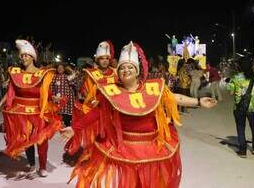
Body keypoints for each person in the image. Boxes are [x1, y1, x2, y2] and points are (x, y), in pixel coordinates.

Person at [61, 41, 217, 187]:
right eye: (122, 67)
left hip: (152, 146)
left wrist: (198, 102)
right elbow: (96, 113)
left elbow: (174, 98)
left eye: (130, 67)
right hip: (125, 148)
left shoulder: (152, 87)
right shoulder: (112, 92)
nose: (125, 70)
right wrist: (75, 128)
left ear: (137, 70)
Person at [0, 39, 64, 178]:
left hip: (38, 111)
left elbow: (45, 92)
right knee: (27, 140)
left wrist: (53, 97)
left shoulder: (41, 73)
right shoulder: (17, 73)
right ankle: (32, 164)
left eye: (26, 55)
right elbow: (10, 91)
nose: (23, 58)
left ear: (32, 57)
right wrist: (0, 104)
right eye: (22, 56)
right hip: (22, 112)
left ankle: (42, 166)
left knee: (42, 141)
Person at [226, 56, 254, 158]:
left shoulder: (235, 78)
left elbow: (230, 92)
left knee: (241, 127)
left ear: (239, 66)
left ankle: (242, 151)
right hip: (252, 107)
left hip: (239, 107)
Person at [51, 63, 77, 127]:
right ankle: (59, 126)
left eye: (61, 68)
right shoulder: (53, 76)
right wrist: (52, 95)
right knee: (58, 113)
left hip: (67, 99)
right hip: (57, 99)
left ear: (64, 69)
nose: (60, 69)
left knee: (66, 115)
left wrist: (71, 71)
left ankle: (67, 126)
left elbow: (74, 83)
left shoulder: (67, 76)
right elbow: (52, 86)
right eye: (58, 68)